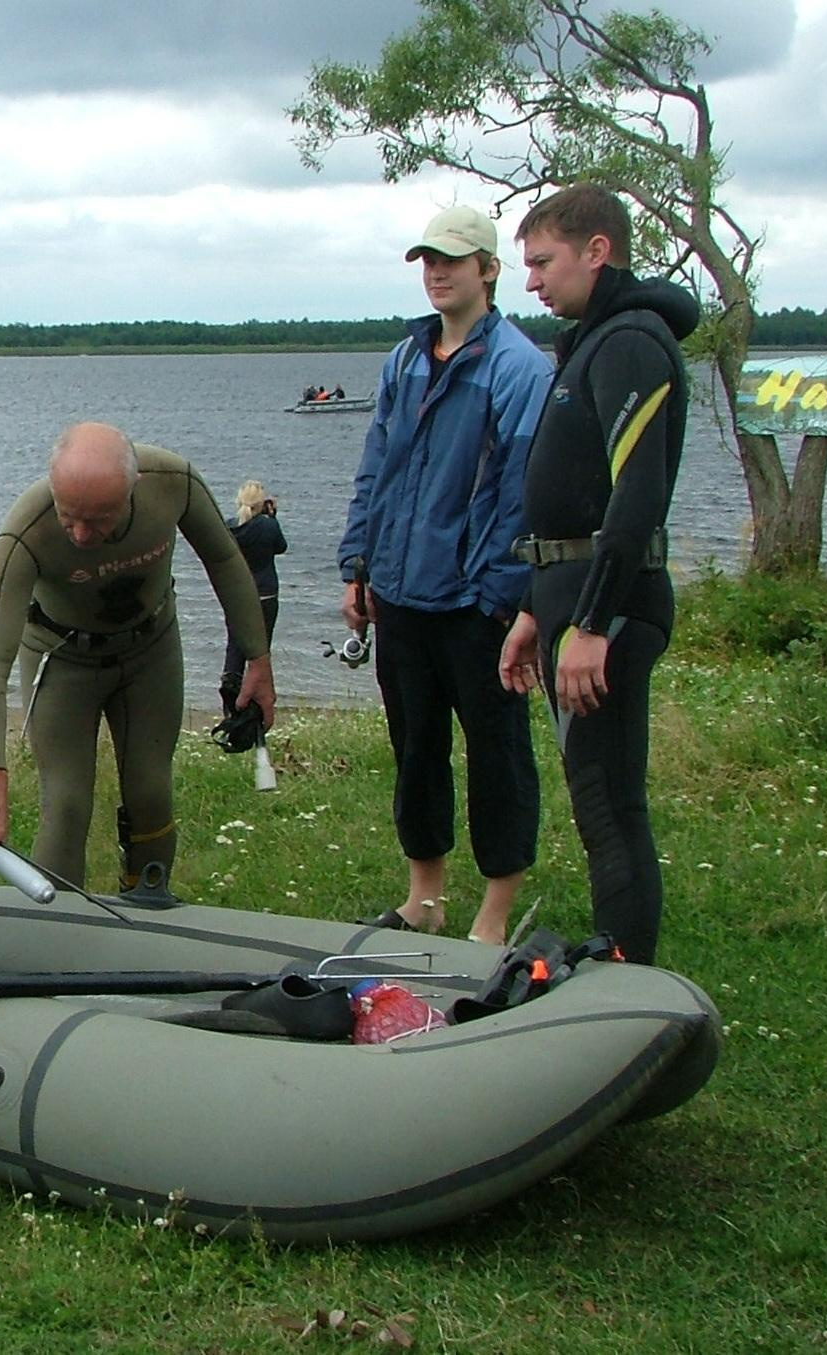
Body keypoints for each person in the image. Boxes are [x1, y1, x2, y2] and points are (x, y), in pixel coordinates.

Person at [338, 204, 551, 945]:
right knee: (415, 749)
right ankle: (423, 897)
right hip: (399, 591)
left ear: (488, 270)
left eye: (453, 260)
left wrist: (500, 596)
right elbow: (378, 469)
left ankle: (493, 914)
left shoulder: (520, 369)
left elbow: (525, 492)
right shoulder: (402, 359)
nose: (436, 271)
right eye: (428, 259)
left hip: (475, 604)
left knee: (499, 758)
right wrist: (358, 566)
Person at [498, 184, 698, 966]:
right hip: (565, 599)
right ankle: (619, 953)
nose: (533, 282)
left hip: (605, 608)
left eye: (544, 262)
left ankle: (630, 971)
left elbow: (636, 496)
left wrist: (588, 623)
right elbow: (565, 501)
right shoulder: (590, 342)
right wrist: (530, 612)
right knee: (593, 798)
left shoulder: (631, 344)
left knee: (612, 800)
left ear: (597, 250)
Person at [0, 422, 276, 890]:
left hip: (150, 651)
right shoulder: (27, 531)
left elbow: (225, 560)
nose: (82, 534)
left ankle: (148, 898)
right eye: (70, 516)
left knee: (151, 790)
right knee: (65, 803)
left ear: (133, 489)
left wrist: (258, 661)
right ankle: (61, 926)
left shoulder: (172, 482)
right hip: (62, 661)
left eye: (100, 518)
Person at [219, 481, 287, 716]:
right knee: (261, 649)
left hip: (238, 594)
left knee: (235, 645)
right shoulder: (268, 527)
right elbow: (281, 547)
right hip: (266, 593)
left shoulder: (229, 528)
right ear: (262, 504)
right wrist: (273, 517)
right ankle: (254, 701)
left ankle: (230, 695)